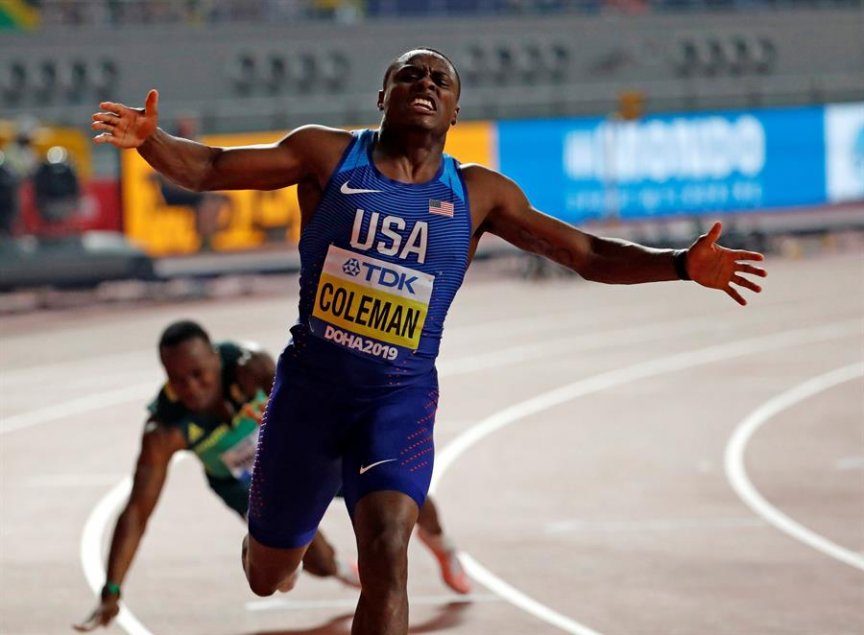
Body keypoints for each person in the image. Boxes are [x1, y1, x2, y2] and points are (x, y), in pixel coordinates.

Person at [90, 47, 766, 635]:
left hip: (397, 400)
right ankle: (274, 550)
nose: (426, 83)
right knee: (266, 575)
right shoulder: (327, 156)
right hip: (308, 397)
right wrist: (151, 142)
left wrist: (678, 263)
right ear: (382, 96)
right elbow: (209, 169)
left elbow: (586, 252)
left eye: (439, 79)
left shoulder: (478, 195)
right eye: (409, 74)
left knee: (386, 544)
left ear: (455, 109)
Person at [73, 319, 470, 632]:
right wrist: (112, 588)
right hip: (242, 484)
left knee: (395, 489)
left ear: (215, 357)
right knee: (308, 561)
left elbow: (311, 398)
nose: (192, 388)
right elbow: (137, 512)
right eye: (179, 380)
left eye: (199, 374)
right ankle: (337, 569)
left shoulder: (252, 368)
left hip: (298, 449)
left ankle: (442, 544)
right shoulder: (165, 430)